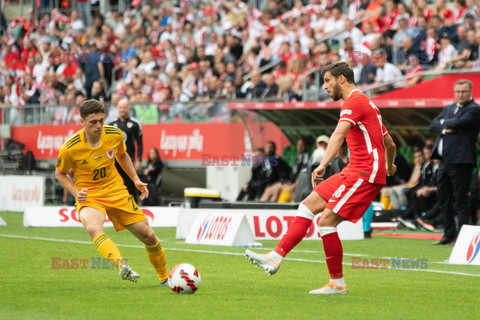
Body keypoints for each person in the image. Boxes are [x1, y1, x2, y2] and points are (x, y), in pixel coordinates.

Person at [245, 62, 397, 294]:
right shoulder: (370, 105)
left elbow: (338, 134)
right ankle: (275, 257)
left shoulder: (353, 102)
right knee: (307, 206)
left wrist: (322, 164)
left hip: (363, 173)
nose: (325, 87)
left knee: (326, 222)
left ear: (342, 79)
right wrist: (390, 165)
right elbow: (390, 143)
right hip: (355, 170)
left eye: (327, 80)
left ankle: (337, 283)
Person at [55, 99, 168, 285]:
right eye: (93, 122)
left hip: (116, 191)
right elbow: (59, 174)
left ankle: (165, 279)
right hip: (90, 195)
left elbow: (122, 155)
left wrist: (136, 180)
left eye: (101, 120)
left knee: (149, 235)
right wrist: (75, 192)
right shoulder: (70, 147)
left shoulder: (114, 134)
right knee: (93, 228)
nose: (99, 125)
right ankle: (122, 266)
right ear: (82, 122)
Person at [430, 79, 480, 245]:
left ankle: (462, 238)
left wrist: (446, 125)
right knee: (443, 198)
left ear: (470, 92)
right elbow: (433, 124)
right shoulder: (449, 108)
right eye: (458, 92)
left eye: (464, 92)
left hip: (461, 160)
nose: (460, 95)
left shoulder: (474, 109)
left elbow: (459, 123)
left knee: (461, 199)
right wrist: (449, 127)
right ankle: (448, 234)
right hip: (444, 161)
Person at [110, 99, 144, 202]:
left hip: (129, 159)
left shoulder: (135, 124)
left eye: (124, 107)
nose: (122, 110)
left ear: (128, 108)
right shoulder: (111, 124)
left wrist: (139, 160)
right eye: (120, 108)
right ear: (117, 109)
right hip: (115, 160)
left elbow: (140, 143)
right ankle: (117, 204)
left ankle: (134, 204)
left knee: (131, 183)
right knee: (116, 183)